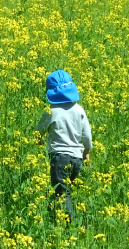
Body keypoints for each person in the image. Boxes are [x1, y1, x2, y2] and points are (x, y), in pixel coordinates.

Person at [36, 70, 92, 222]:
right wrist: (86, 152)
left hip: (59, 158)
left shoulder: (51, 111)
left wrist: (40, 143)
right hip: (77, 158)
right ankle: (58, 215)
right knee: (68, 190)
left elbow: (38, 132)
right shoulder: (79, 109)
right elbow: (86, 134)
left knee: (62, 192)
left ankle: (73, 224)